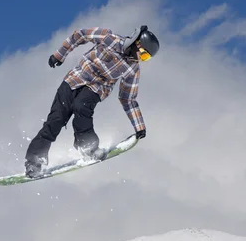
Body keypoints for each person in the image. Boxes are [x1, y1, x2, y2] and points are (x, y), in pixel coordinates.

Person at [24, 25, 160, 178]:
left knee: (81, 106)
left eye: (145, 58)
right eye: (143, 55)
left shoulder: (132, 69)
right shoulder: (109, 38)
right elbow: (80, 35)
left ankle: (88, 147)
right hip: (75, 79)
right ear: (136, 43)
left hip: (97, 88)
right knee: (55, 120)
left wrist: (139, 126)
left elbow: (128, 98)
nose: (140, 59)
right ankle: (34, 162)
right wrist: (59, 55)